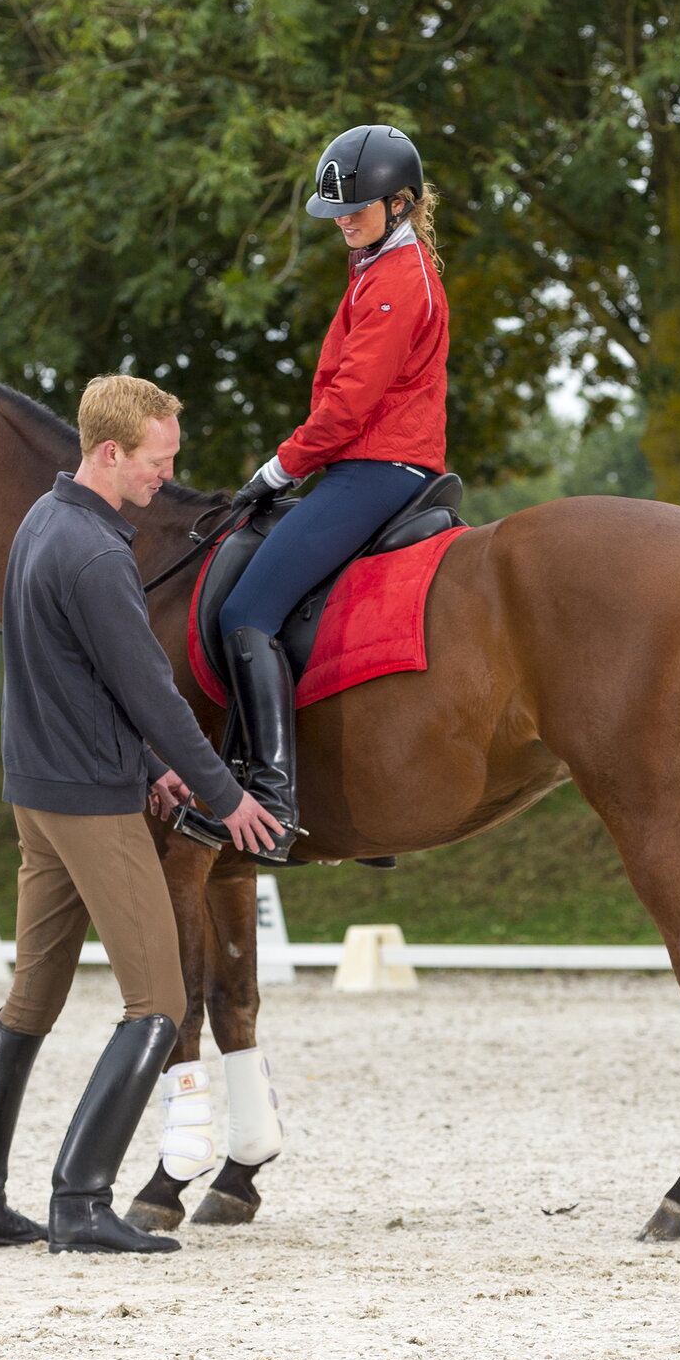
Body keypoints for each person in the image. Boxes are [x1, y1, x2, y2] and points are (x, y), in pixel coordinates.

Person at [0, 375, 281, 1256]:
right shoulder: (97, 554)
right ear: (108, 453)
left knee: (33, 994)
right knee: (161, 1000)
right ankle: (81, 1201)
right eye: (156, 464)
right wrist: (225, 794)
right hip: (89, 804)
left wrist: (151, 768)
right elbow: (150, 694)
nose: (166, 481)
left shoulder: (39, 527)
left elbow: (63, 676)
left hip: (37, 792)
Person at [177, 123, 449, 863]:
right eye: (338, 209)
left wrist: (280, 468)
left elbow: (350, 404)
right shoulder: (376, 263)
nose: (343, 221)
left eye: (357, 208)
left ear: (400, 203)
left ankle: (270, 796)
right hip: (364, 465)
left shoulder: (396, 279)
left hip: (376, 467)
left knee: (247, 614)